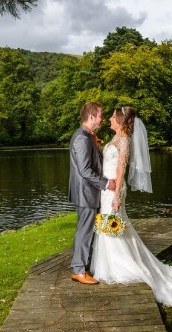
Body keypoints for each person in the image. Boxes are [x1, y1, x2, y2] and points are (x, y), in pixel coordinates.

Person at [90, 106, 172, 307]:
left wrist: (116, 195)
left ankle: (121, 266)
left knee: (112, 224)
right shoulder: (115, 139)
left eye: (113, 117)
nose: (110, 120)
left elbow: (121, 167)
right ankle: (111, 264)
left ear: (122, 121)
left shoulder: (123, 141)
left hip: (114, 189)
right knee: (113, 225)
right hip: (106, 188)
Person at [69, 102, 116, 285]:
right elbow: (84, 170)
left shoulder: (88, 136)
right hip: (85, 192)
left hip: (88, 191)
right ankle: (78, 270)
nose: (102, 119)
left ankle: (81, 265)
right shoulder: (82, 138)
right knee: (84, 231)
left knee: (86, 229)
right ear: (91, 116)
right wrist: (105, 184)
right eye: (100, 116)